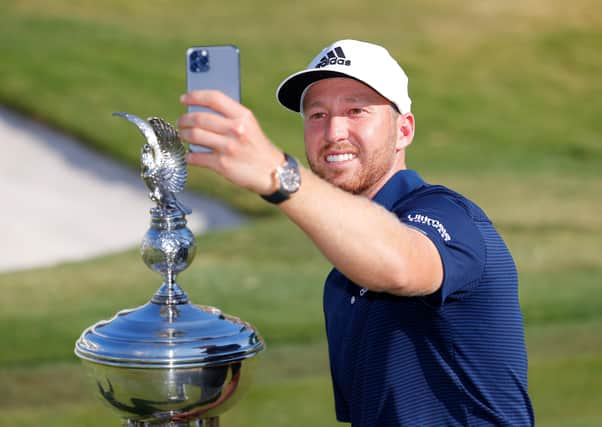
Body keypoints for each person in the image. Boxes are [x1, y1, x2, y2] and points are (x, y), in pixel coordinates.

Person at [178, 39, 534, 426]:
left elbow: (400, 263)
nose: (334, 131)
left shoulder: (447, 214)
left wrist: (277, 173)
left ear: (404, 131)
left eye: (356, 110)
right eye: (317, 115)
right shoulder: (342, 280)